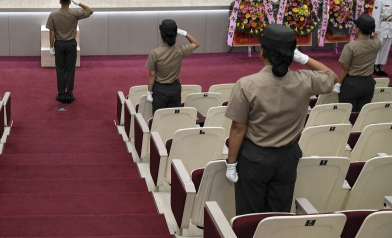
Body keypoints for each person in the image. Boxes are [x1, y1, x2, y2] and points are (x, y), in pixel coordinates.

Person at [225, 24, 337, 215]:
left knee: (250, 214)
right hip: (288, 158)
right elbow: (331, 76)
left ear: (263, 52)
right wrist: (304, 58)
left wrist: (231, 163)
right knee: (279, 214)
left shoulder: (247, 85)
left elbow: (237, 129)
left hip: (255, 158)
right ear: (291, 54)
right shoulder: (305, 80)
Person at [47, 0, 93, 103]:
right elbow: (90, 11)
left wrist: (51, 46)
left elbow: (51, 32)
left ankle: (61, 94)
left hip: (59, 44)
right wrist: (79, 3)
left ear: (59, 1)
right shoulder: (75, 13)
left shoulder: (53, 15)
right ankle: (70, 94)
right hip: (71, 44)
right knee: (70, 70)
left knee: (60, 70)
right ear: (70, 2)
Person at [145, 20, 199, 113]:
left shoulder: (155, 53)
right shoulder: (180, 50)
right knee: (172, 118)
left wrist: (149, 92)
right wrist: (184, 33)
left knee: (159, 118)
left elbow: (152, 74)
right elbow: (195, 43)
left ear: (161, 35)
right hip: (175, 90)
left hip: (160, 90)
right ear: (175, 34)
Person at [336, 15, 381, 112]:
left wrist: (338, 83)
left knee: (347, 115)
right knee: (361, 116)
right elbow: (375, 38)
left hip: (351, 85)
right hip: (368, 84)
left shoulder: (350, 47)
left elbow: (345, 68)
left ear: (358, 29)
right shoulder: (377, 43)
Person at [372, 0, 392, 76]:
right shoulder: (380, 0)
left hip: (390, 28)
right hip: (382, 27)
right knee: (378, 48)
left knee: (386, 48)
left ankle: (380, 66)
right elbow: (375, 16)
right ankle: (375, 66)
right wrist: (376, 29)